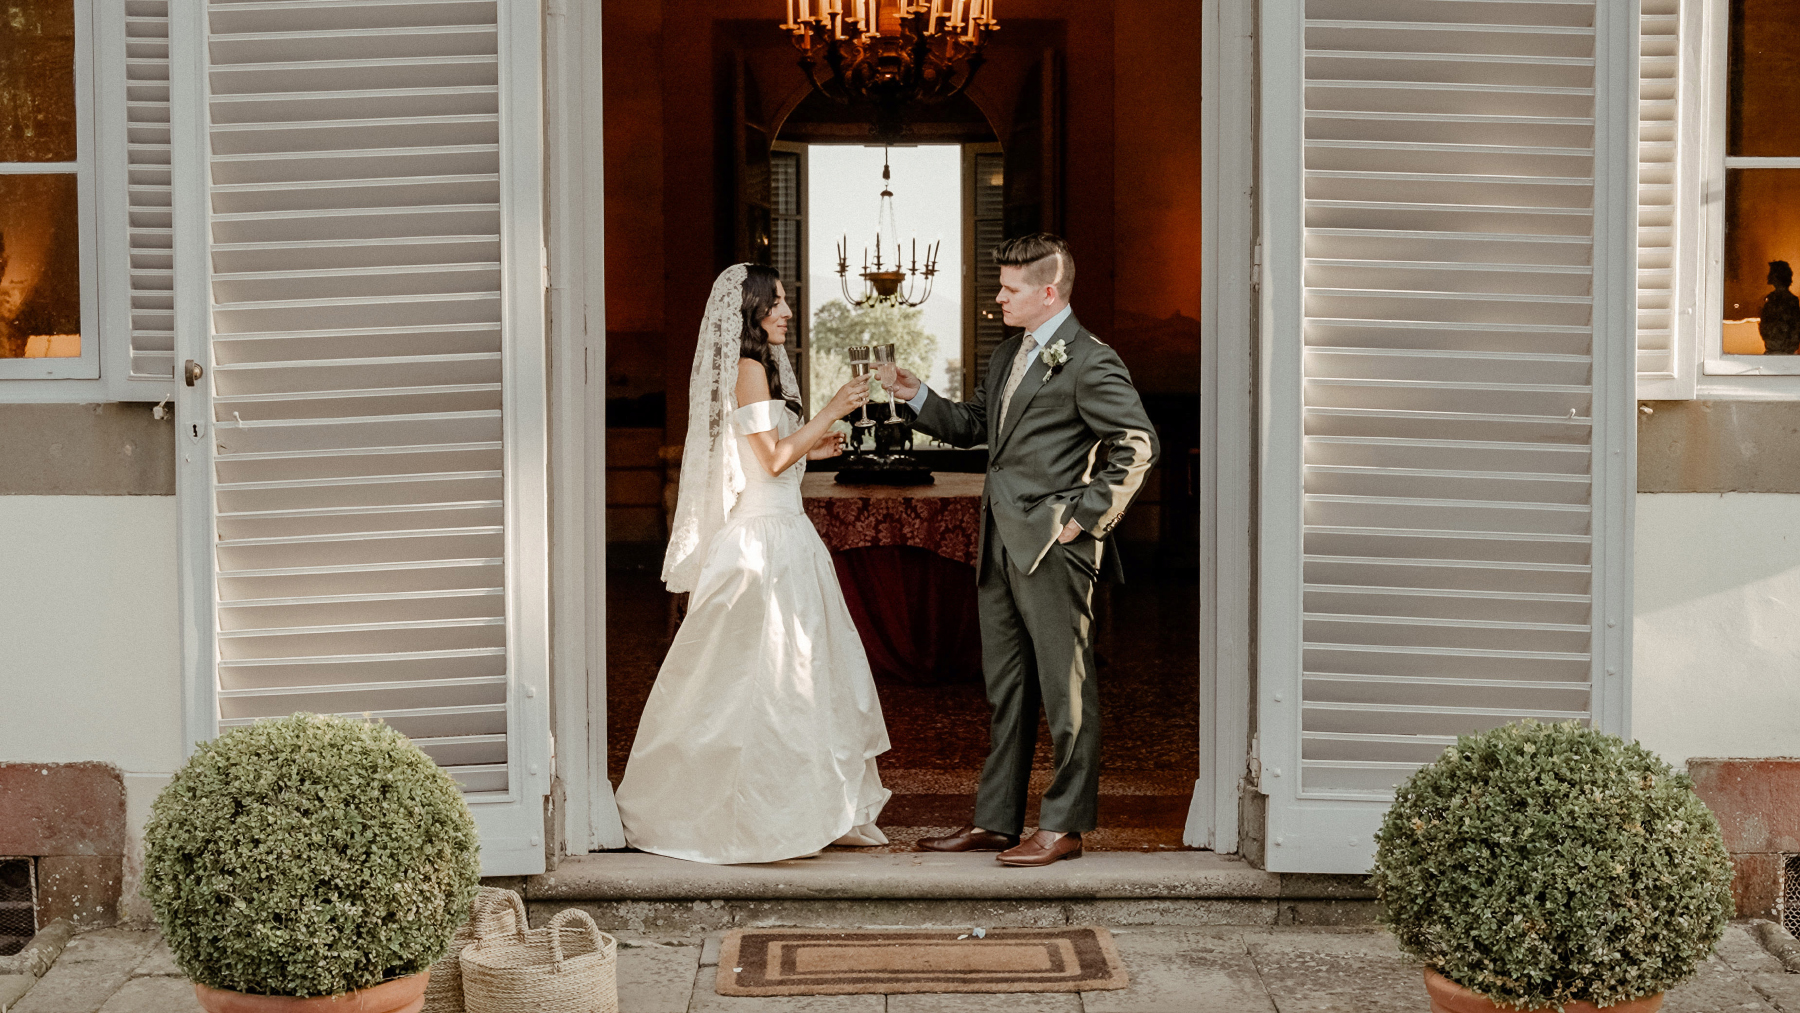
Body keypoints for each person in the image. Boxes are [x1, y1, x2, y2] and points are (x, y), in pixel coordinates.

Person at [883, 234, 1159, 867]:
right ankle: (996, 821)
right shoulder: (1009, 353)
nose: (998, 298)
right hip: (999, 546)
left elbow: (1137, 444)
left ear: (1048, 292)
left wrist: (1082, 520)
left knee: (1068, 691)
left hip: (1055, 548)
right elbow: (978, 427)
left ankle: (1062, 827)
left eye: (1008, 289)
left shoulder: (1092, 361)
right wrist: (915, 393)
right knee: (1006, 690)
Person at [615, 264, 892, 864]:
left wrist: (814, 447)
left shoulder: (760, 371)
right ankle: (737, 811)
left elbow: (772, 456)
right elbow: (768, 461)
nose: (787, 311)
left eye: (787, 301)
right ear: (751, 311)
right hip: (764, 543)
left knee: (794, 680)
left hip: (786, 533)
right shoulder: (746, 370)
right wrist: (832, 411)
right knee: (747, 682)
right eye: (778, 302)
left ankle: (808, 804)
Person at [1761, 261, 1800, 355]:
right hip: (1775, 349)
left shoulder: (1789, 301)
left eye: (1772, 273)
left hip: (1784, 351)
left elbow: (1795, 327)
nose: (1768, 276)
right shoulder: (1771, 299)